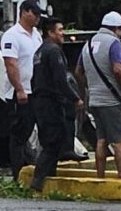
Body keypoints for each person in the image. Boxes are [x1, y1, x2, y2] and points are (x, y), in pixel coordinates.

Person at [28, 17, 81, 194]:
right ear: (50, 33)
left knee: (50, 139)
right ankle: (38, 180)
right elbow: (61, 80)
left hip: (40, 100)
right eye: (59, 30)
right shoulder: (53, 51)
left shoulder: (40, 51)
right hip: (50, 101)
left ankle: (48, 177)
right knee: (53, 141)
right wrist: (75, 98)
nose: (62, 33)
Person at [82, 10, 121, 179]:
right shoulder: (113, 43)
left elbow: (78, 71)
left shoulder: (88, 43)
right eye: (120, 30)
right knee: (119, 142)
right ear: (116, 28)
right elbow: (118, 70)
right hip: (111, 101)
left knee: (101, 140)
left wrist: (89, 87)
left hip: (95, 100)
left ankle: (100, 177)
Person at [0, 0, 44, 180]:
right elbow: (11, 63)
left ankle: (30, 166)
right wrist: (19, 89)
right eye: (35, 13)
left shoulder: (36, 35)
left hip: (35, 90)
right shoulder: (12, 35)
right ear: (25, 12)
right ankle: (17, 174)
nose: (38, 18)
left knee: (32, 130)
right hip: (21, 92)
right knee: (19, 134)